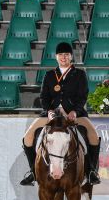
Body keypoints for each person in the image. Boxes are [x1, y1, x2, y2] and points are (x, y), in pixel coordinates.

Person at [20, 42, 101, 186]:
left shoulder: (79, 74)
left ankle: (91, 171)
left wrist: (75, 111)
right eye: (61, 55)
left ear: (71, 56)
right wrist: (49, 111)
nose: (63, 57)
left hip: (74, 114)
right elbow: (44, 96)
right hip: (52, 115)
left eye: (66, 55)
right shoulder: (50, 75)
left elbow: (83, 96)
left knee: (93, 134)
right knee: (28, 136)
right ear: (56, 57)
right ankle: (33, 171)